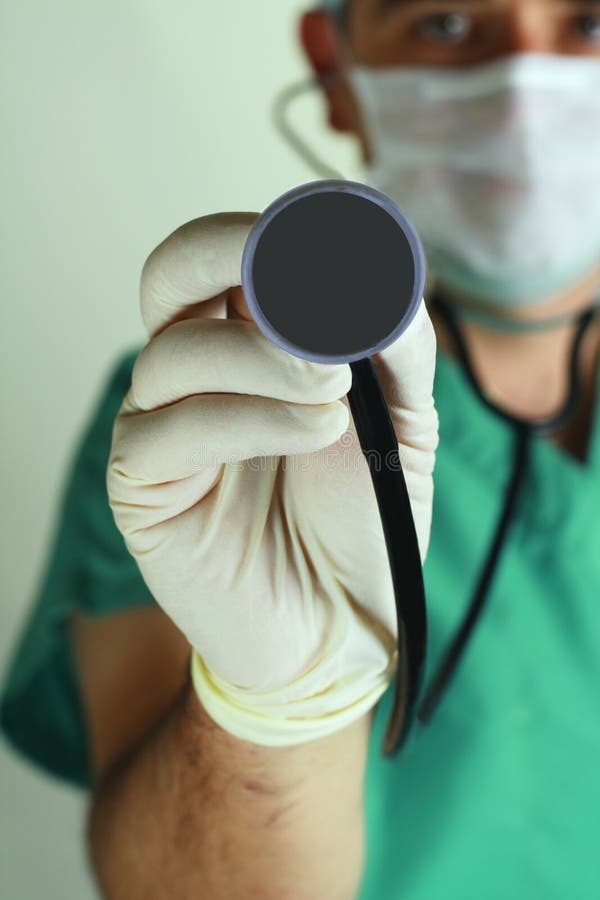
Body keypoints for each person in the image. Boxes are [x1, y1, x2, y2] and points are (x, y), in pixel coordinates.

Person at [2, 0, 599, 897]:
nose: (524, 87)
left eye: (592, 23)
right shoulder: (207, 427)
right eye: (443, 24)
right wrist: (278, 708)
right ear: (334, 70)